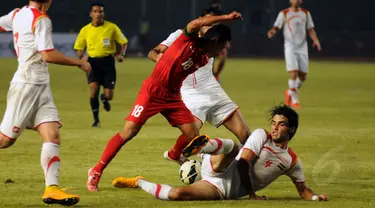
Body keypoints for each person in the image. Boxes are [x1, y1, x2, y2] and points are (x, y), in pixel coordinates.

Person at [87, 11, 243, 192]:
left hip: (173, 96)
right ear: (215, 42)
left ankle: (190, 162)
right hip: (152, 92)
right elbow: (195, 23)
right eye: (223, 46)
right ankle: (96, 171)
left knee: (194, 135)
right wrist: (226, 18)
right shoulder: (187, 39)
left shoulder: (203, 58)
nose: (222, 51)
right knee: (129, 132)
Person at [112, 104, 328, 202]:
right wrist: (252, 194)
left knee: (178, 195)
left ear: (290, 129)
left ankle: (138, 182)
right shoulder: (261, 136)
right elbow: (243, 163)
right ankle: (202, 147)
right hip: (220, 164)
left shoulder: (291, 161)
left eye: (280, 125)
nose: (274, 127)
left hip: (221, 188)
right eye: (273, 123)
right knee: (235, 148)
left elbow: (303, 191)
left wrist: (317, 198)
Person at [0, 0, 91, 206]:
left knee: (52, 136)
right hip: (27, 84)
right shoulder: (41, 19)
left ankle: (52, 189)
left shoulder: (17, 14)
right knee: (5, 140)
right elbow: (48, 54)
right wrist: (79, 63)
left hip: (40, 86)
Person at [148, 7, 250, 165]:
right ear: (200, 21)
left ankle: (245, 172)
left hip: (213, 90)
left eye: (213, 23)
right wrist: (163, 61)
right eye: (207, 22)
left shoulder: (213, 42)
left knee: (246, 135)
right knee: (192, 133)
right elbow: (153, 52)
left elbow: (221, 57)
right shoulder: (180, 36)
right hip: (191, 93)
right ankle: (176, 154)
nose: (209, 26)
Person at [74, 2, 128, 127]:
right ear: (91, 14)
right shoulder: (85, 30)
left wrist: (121, 54)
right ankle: (96, 120)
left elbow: (123, 42)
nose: (98, 14)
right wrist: (82, 57)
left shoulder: (112, 27)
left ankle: (104, 98)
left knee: (109, 96)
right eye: (96, 11)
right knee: (93, 90)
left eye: (101, 11)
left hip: (108, 62)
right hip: (92, 62)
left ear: (103, 13)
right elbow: (78, 48)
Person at [267, 0, 321, 108]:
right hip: (290, 46)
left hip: (302, 47)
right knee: (293, 73)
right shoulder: (284, 13)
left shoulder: (305, 13)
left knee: (303, 76)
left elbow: (310, 29)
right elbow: (277, 26)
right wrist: (273, 31)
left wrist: (316, 40)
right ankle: (295, 100)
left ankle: (290, 92)